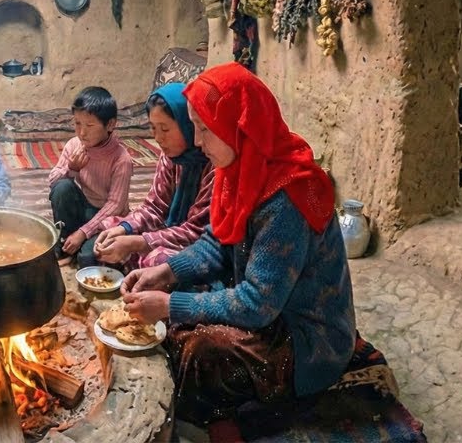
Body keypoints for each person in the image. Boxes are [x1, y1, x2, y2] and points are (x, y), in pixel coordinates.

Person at [120, 63, 355, 423]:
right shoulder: (238, 170)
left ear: (238, 127)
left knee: (202, 350)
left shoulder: (286, 197)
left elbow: (258, 304)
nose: (197, 141)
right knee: (173, 296)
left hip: (303, 334)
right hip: (265, 302)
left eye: (204, 129)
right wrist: (165, 274)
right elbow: (217, 243)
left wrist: (170, 305)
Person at [93, 82, 215, 269]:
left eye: (165, 129)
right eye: (153, 128)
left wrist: (139, 242)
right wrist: (124, 229)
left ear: (188, 125)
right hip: (167, 230)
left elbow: (196, 232)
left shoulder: (214, 164)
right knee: (110, 230)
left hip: (198, 246)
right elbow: (155, 208)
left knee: (158, 260)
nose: (158, 138)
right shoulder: (170, 158)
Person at [47, 86, 135, 267]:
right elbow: (53, 182)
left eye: (89, 125)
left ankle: (79, 244)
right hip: (84, 208)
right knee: (63, 187)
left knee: (87, 259)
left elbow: (115, 206)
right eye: (77, 123)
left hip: (109, 218)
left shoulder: (121, 159)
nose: (81, 132)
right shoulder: (74, 145)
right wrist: (71, 169)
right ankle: (66, 244)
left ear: (110, 125)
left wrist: (83, 232)